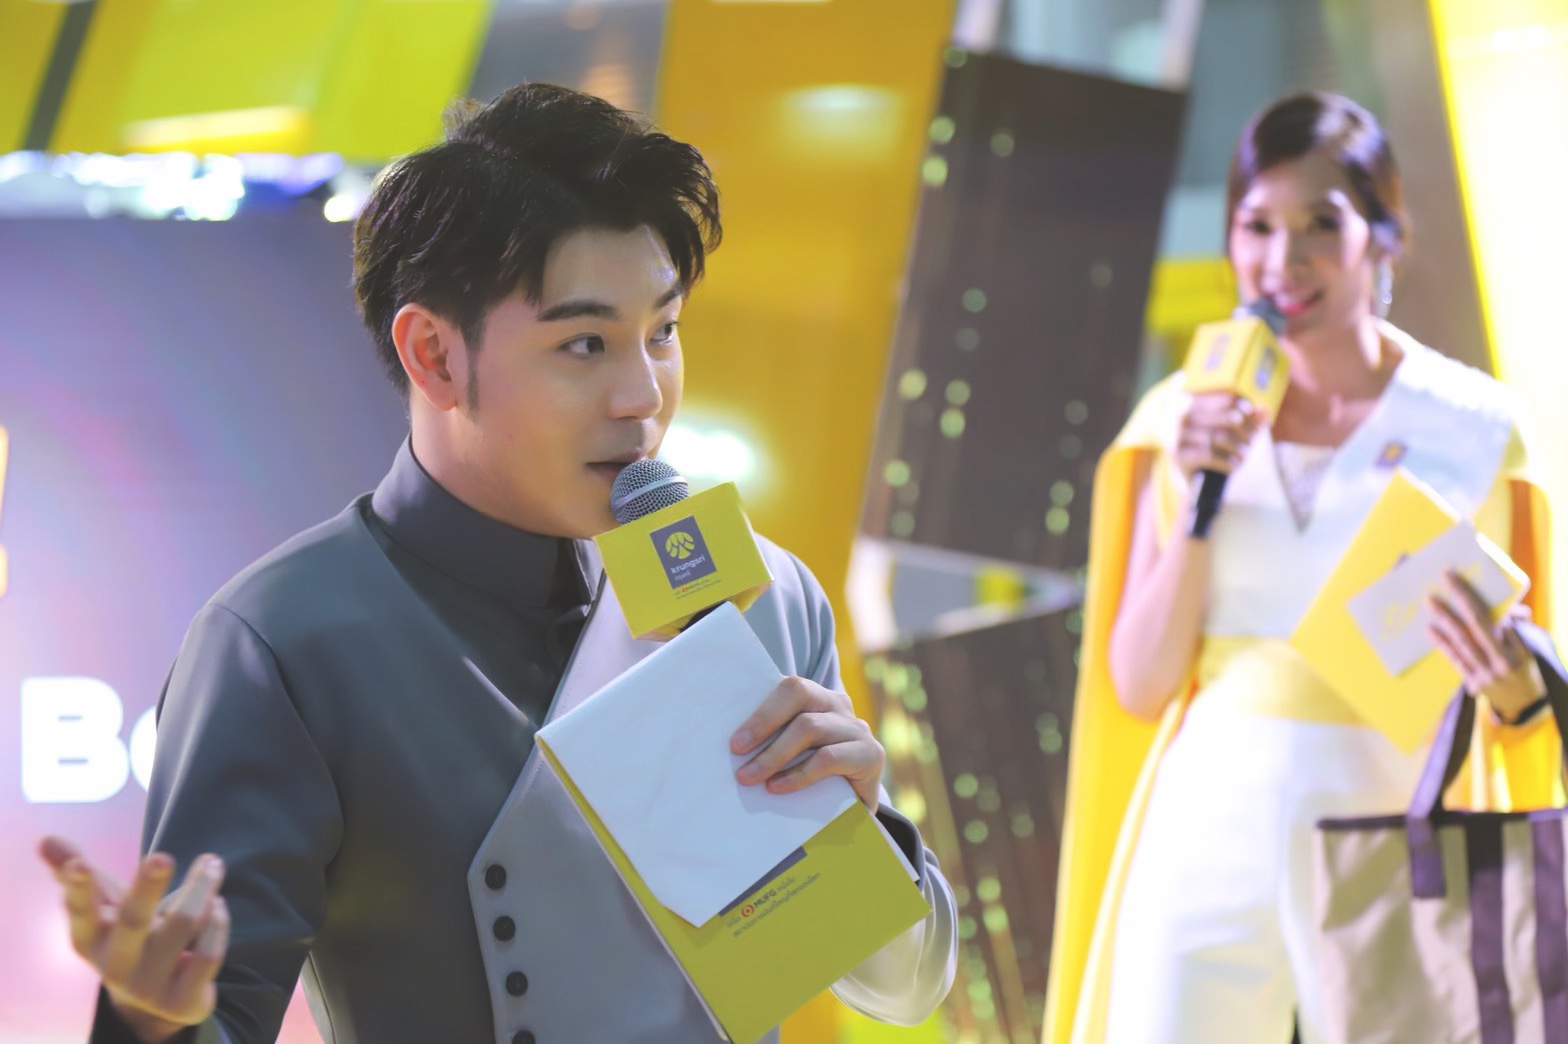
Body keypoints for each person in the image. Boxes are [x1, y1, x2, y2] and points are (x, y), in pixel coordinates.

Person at [37, 83, 957, 1044]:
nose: (642, 395)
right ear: (434, 355)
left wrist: (858, 827)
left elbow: (902, 988)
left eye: (663, 332)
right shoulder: (285, 641)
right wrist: (149, 1022)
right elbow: (213, 1010)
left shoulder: (765, 594)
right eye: (585, 343)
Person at [1041, 92, 1563, 1044]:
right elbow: (1141, 681)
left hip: (1398, 818)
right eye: (1258, 225)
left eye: (1322, 223)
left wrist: (1510, 681)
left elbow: (1524, 683)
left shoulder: (1479, 428)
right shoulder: (1184, 415)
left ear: (1383, 235)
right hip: (1205, 820)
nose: (1284, 259)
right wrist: (1199, 496)